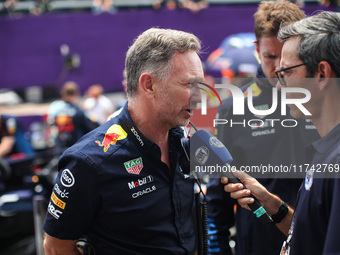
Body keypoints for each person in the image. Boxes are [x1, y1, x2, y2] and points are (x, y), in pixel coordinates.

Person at [43, 27, 203, 254]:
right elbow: (55, 247)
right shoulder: (89, 162)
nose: (199, 97)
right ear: (149, 85)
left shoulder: (184, 144)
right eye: (189, 85)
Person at [205, 1, 319, 255]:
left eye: (286, 55)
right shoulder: (233, 108)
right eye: (270, 56)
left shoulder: (323, 98)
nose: (279, 66)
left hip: (316, 240)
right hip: (259, 245)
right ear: (257, 50)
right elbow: (216, 201)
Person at [223, 11, 340, 255]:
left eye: (285, 73)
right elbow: (310, 238)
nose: (278, 85)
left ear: (321, 74)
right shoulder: (325, 153)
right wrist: (271, 203)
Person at [47, 81, 98, 150]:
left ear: (63, 93)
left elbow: (50, 123)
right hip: (75, 149)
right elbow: (89, 130)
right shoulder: (78, 112)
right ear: (77, 94)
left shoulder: (55, 108)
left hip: (59, 148)